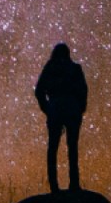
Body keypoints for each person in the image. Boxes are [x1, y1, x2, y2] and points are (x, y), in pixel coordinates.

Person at [33, 42, 88, 192]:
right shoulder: (75, 69)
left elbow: (39, 91)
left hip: (56, 108)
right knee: (72, 147)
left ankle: (54, 187)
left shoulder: (50, 68)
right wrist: (80, 108)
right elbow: (83, 91)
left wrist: (48, 109)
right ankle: (74, 184)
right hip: (71, 109)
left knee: (53, 148)